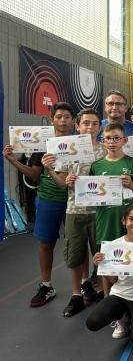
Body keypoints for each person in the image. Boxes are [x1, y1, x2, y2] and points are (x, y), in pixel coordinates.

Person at [2, 102, 74, 307]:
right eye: (59, 117)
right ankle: (46, 285)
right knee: (46, 244)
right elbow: (34, 174)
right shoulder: (43, 145)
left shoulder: (81, 144)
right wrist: (13, 161)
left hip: (75, 202)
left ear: (73, 121)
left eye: (67, 117)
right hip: (48, 200)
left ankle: (83, 285)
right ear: (51, 120)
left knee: (78, 245)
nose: (63, 120)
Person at [43, 108, 107, 316]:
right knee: (76, 254)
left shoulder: (106, 150)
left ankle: (104, 293)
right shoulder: (67, 150)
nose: (90, 127)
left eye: (95, 123)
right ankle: (76, 294)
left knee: (101, 253)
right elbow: (62, 184)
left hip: (101, 212)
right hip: (75, 210)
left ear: (100, 127)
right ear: (77, 126)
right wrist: (52, 171)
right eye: (86, 123)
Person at [86, 201, 133, 350]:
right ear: (124, 221)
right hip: (119, 295)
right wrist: (101, 265)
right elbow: (113, 280)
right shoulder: (114, 245)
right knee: (93, 322)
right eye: (131, 219)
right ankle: (123, 316)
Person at [91, 122, 133, 301]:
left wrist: (131, 185)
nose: (113, 141)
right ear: (103, 141)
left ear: (124, 140)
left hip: (129, 221)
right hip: (105, 219)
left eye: (116, 138)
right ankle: (109, 301)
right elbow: (90, 194)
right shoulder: (96, 166)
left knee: (129, 259)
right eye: (108, 138)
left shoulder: (132, 163)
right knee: (108, 262)